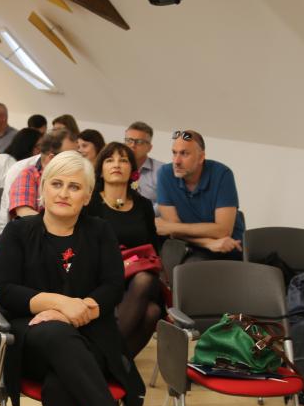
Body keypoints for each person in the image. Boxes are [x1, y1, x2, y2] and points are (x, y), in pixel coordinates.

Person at [0, 150, 159, 406]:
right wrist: (58, 304)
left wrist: (72, 313)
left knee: (62, 380)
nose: (64, 193)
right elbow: (7, 291)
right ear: (43, 189)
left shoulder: (100, 231)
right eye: (56, 183)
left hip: (90, 339)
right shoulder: (19, 232)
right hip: (31, 340)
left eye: (74, 186)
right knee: (54, 336)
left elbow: (113, 287)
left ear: (87, 196)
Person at [86, 142, 163, 357]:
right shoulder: (90, 203)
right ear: (100, 169)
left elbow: (153, 247)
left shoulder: (143, 205)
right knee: (151, 312)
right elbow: (84, 247)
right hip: (100, 275)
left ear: (133, 170)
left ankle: (102, 359)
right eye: (110, 160)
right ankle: (115, 364)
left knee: (146, 285)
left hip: (137, 274)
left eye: (123, 160)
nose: (116, 164)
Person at [155, 130, 245, 261]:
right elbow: (174, 232)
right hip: (190, 247)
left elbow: (223, 231)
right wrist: (208, 243)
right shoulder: (165, 174)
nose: (176, 161)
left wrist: (171, 227)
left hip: (228, 246)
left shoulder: (222, 174)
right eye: (174, 153)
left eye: (184, 154)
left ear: (201, 157)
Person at [0, 128, 77, 237]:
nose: (76, 162)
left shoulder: (76, 176)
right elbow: (25, 214)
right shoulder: (24, 172)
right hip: (23, 235)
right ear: (51, 158)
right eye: (70, 157)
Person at [0, 127, 42, 205]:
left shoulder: (36, 165)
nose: (41, 151)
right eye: (38, 146)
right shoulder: (2, 160)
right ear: (27, 146)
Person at [124, 121, 162, 204]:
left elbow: (165, 203)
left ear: (149, 148)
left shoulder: (161, 171)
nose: (132, 145)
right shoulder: (117, 168)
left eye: (139, 142)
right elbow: (116, 199)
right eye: (129, 140)